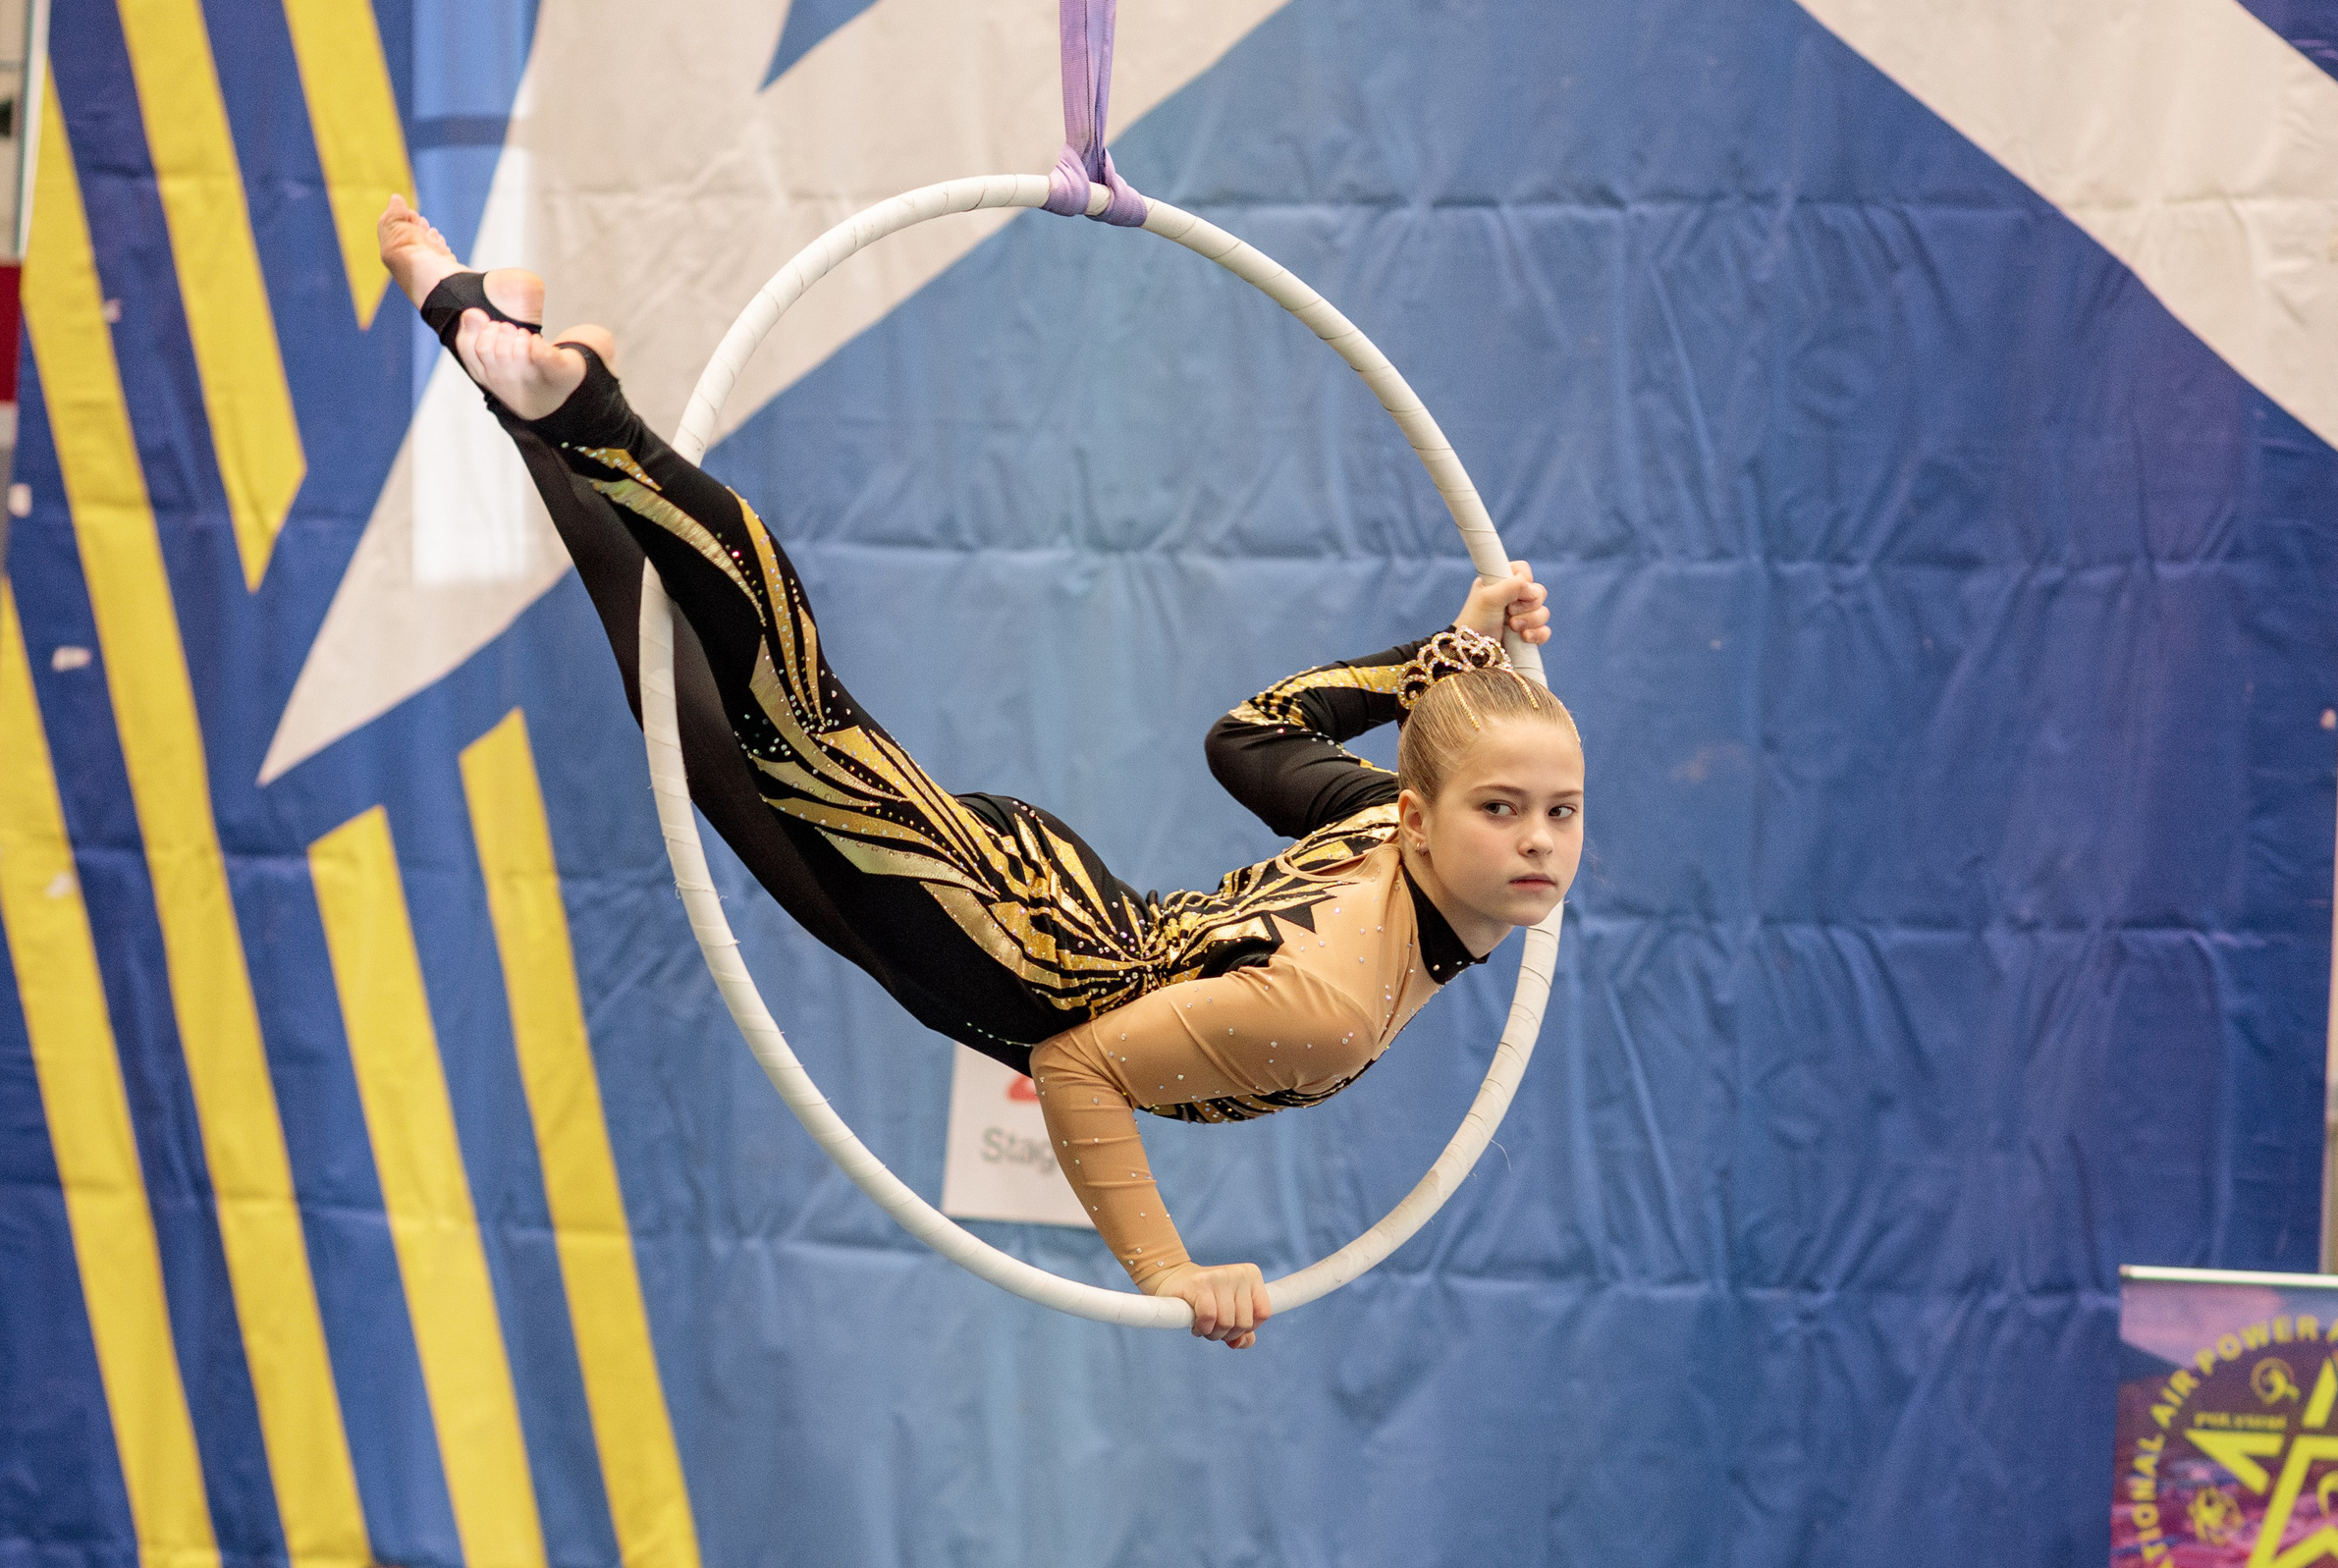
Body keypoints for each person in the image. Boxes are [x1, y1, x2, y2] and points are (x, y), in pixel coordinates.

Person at [378, 196, 1585, 1349]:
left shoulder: (1381, 820)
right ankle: (589, 414)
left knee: (697, 734)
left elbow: (1251, 736)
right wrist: (1166, 1271)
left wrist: (1447, 660)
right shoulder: (1329, 1008)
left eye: (1560, 813)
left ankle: (503, 348)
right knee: (789, 704)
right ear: (1424, 819)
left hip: (1044, 913)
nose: (1537, 841)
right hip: (1017, 950)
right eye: (1501, 807)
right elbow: (1077, 1068)